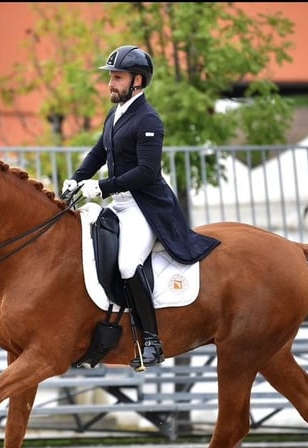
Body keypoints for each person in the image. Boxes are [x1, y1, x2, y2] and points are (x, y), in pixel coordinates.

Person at [62, 45, 220, 370]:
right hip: (119, 203)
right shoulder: (116, 114)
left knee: (127, 264)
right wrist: (76, 178)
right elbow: (98, 152)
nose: (110, 84)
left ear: (137, 81)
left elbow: (147, 172)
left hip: (144, 207)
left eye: (117, 78)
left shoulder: (149, 119)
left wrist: (101, 186)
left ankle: (152, 340)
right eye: (110, 78)